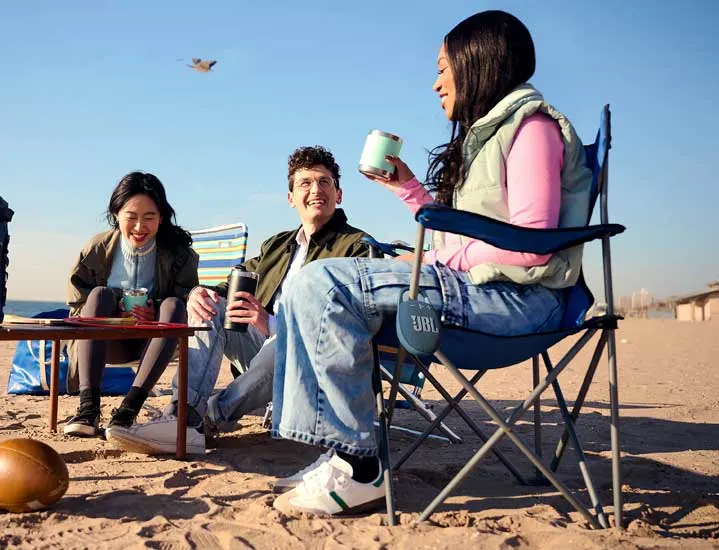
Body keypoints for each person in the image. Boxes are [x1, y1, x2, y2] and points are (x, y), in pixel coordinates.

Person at [269, 10, 594, 516]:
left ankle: (359, 466)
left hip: (518, 302)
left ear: (479, 62)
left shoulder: (532, 128)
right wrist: (409, 190)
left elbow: (531, 245)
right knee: (307, 285)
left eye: (444, 67)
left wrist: (438, 259)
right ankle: (340, 450)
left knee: (322, 284)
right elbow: (466, 234)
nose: (437, 82)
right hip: (484, 289)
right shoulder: (487, 137)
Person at [106, 146, 373, 454]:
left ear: (338, 194)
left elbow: (349, 322)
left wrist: (271, 323)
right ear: (291, 198)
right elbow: (230, 284)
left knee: (287, 340)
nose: (315, 190)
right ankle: (183, 416)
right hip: (264, 353)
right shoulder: (278, 245)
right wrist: (198, 293)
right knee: (210, 304)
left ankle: (208, 417)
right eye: (305, 183)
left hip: (313, 361)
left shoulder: (356, 247)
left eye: (324, 182)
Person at [63, 172, 199, 437]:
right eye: (131, 217)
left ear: (161, 217)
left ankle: (128, 409)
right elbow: (76, 301)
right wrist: (115, 313)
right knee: (99, 295)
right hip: (102, 341)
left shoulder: (179, 254)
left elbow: (186, 299)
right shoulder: (98, 248)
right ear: (116, 214)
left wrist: (154, 311)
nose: (139, 227)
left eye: (149, 217)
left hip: (155, 343)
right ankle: (88, 408)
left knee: (173, 305)